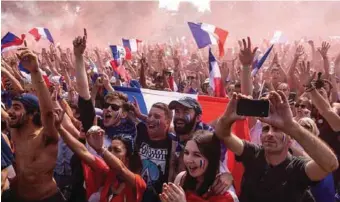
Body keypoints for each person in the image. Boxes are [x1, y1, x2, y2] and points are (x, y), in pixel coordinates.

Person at [215, 91, 338, 202]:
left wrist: (291, 126)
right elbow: (223, 135)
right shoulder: (253, 153)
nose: (270, 134)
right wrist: (227, 118)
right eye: (265, 129)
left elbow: (331, 164)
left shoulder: (298, 168)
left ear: (290, 139)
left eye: (277, 129)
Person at [6, 49, 66, 201]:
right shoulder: (15, 130)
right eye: (11, 106)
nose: (10, 111)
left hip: (48, 198)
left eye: (17, 107)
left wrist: (35, 71)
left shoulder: (46, 136)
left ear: (32, 114)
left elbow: (48, 113)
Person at [57, 115, 146, 202]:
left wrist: (101, 150)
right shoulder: (107, 172)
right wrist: (59, 128)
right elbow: (82, 151)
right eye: (110, 149)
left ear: (128, 158)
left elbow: (121, 169)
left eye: (117, 150)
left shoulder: (137, 182)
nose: (111, 153)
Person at [167, 97, 235, 196]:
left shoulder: (211, 139)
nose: (180, 116)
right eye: (177, 111)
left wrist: (229, 176)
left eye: (186, 112)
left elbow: (218, 166)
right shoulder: (177, 133)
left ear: (198, 117)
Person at [159, 130, 237, 202]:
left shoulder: (225, 192)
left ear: (211, 158)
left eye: (196, 155)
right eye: (186, 152)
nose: (189, 160)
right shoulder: (181, 178)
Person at [133, 102, 175, 202]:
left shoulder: (173, 143)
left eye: (157, 116)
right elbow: (122, 108)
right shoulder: (141, 131)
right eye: (149, 115)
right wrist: (140, 116)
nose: (151, 119)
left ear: (168, 122)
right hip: (134, 194)